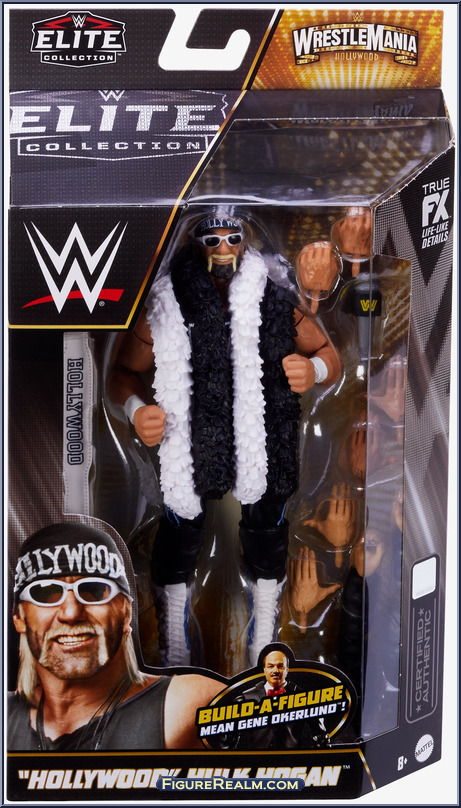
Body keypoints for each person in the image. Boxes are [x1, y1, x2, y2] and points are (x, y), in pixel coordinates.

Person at [109, 208, 342, 667]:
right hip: (189, 434)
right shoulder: (166, 306)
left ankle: (265, 633)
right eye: (211, 240)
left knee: (267, 526)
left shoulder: (275, 301)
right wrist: (137, 411)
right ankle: (173, 640)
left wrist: (312, 370)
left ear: (245, 242)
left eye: (231, 239)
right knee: (180, 525)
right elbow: (122, 373)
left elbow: (327, 353)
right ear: (195, 244)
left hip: (264, 435)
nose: (222, 249)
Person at [8, 522, 224, 751]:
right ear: (20, 617)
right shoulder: (6, 718)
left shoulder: (187, 705)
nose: (71, 613)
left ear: (126, 612)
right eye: (46, 593)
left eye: (93, 590)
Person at [223, 645, 329, 750]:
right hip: (257, 760)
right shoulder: (246, 698)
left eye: (280, 666)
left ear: (287, 669)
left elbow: (321, 738)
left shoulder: (304, 698)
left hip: (291, 760)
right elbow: (226, 742)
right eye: (270, 666)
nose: (275, 671)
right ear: (264, 669)